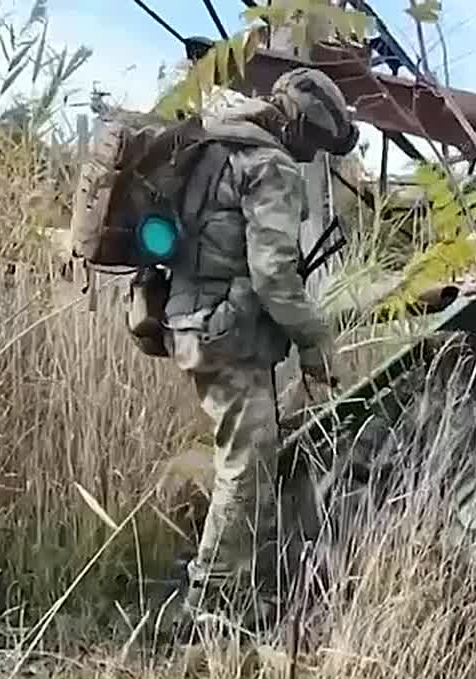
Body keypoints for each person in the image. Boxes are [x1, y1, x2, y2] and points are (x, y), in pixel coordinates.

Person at [161, 67, 359, 639]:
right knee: (244, 468)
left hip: (193, 322)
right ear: (301, 126)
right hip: (230, 334)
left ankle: (246, 581)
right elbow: (273, 276)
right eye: (317, 142)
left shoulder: (221, 144)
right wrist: (317, 345)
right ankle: (214, 605)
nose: (311, 155)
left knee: (250, 455)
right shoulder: (267, 162)